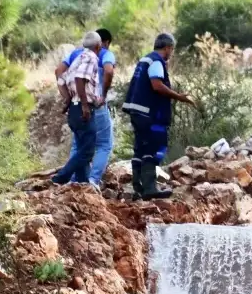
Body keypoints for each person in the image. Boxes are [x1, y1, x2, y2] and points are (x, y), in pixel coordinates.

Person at [122, 33, 195, 200]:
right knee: (154, 149)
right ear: (168, 48)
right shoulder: (156, 61)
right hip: (149, 115)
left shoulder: (145, 59)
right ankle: (150, 188)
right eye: (172, 50)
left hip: (137, 113)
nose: (172, 53)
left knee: (140, 150)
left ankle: (138, 188)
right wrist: (178, 96)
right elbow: (157, 85)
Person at [53, 28, 116, 188]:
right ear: (102, 44)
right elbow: (107, 70)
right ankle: (89, 181)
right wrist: (102, 94)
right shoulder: (98, 55)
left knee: (79, 146)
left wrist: (67, 98)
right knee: (102, 145)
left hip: (75, 106)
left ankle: (79, 182)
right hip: (90, 106)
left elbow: (59, 72)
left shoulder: (76, 55)